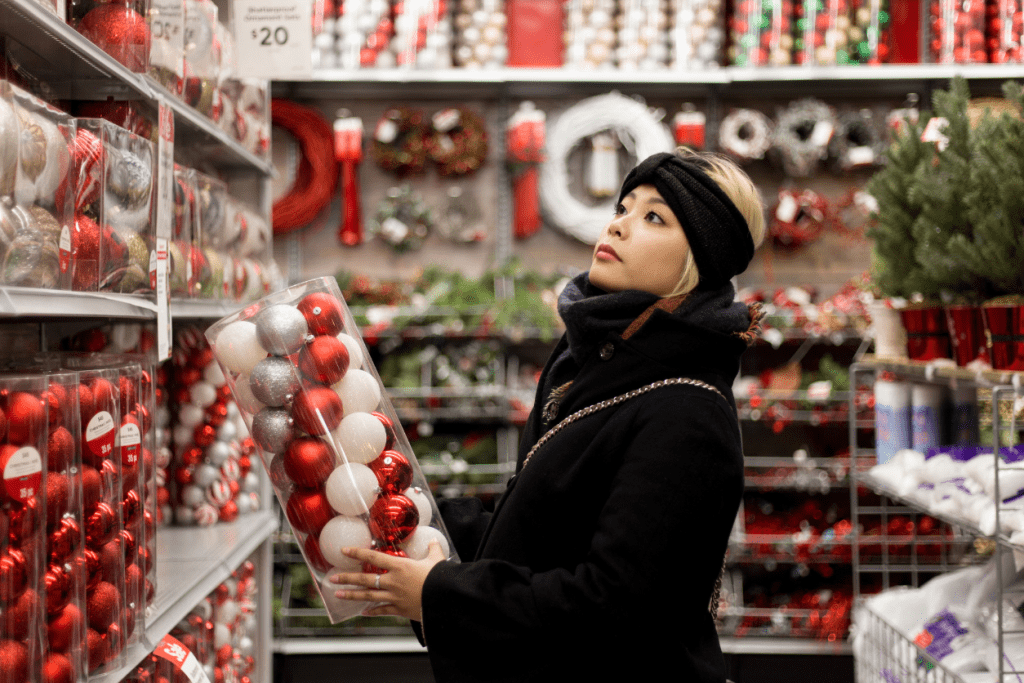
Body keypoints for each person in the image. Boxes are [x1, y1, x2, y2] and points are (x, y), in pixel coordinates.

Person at [330, 148, 767, 682]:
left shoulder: (686, 412)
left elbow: (616, 609)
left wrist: (440, 594)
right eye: (623, 207)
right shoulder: (591, 364)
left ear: (701, 259)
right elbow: (546, 532)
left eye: (655, 217)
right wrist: (413, 520)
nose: (621, 226)